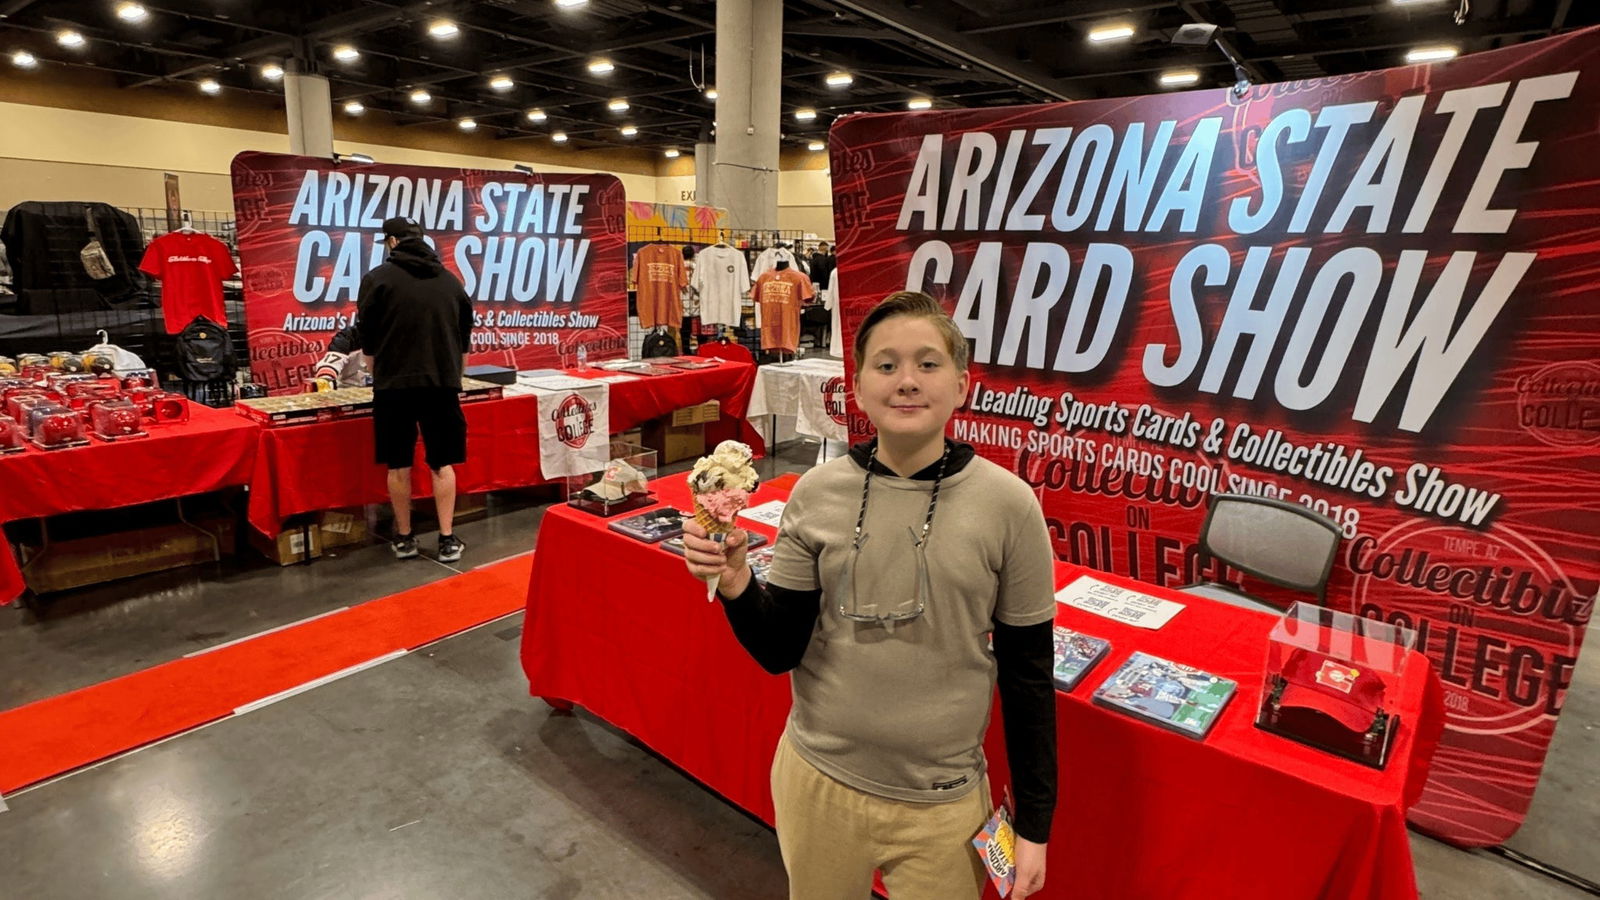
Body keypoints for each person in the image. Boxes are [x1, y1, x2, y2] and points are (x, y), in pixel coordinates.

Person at [681, 291, 1056, 899]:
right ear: (856, 388)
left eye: (928, 363)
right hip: (818, 782)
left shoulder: (1009, 506)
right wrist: (736, 584)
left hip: (944, 805)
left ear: (961, 384)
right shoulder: (815, 493)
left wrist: (1035, 825)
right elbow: (780, 649)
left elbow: (1028, 674)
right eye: (886, 365)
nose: (906, 381)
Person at [357, 217, 474, 563]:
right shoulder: (451, 282)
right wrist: (452, 377)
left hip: (394, 386)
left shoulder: (377, 280)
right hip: (441, 385)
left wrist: (381, 375)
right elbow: (463, 343)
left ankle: (405, 538)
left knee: (398, 465)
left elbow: (368, 343)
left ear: (392, 242)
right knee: (442, 463)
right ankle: (447, 539)